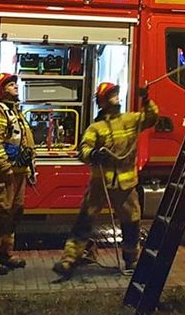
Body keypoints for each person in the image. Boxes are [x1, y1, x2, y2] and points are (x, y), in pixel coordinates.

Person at [53, 82, 159, 278]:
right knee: (84, 221)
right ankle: (68, 260)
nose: (116, 97)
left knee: (131, 223)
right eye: (112, 95)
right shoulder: (96, 128)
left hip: (126, 186)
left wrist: (146, 99)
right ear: (103, 102)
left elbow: (152, 118)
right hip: (100, 183)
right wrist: (93, 153)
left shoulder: (131, 119)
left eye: (116, 94)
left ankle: (131, 260)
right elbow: (82, 151)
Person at [0, 73, 36, 274]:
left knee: (12, 214)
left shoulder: (15, 112)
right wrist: (5, 168)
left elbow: (25, 142)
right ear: (1, 90)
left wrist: (29, 168)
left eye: (15, 84)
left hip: (17, 173)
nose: (16, 87)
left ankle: (5, 255)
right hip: (2, 175)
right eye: (11, 85)